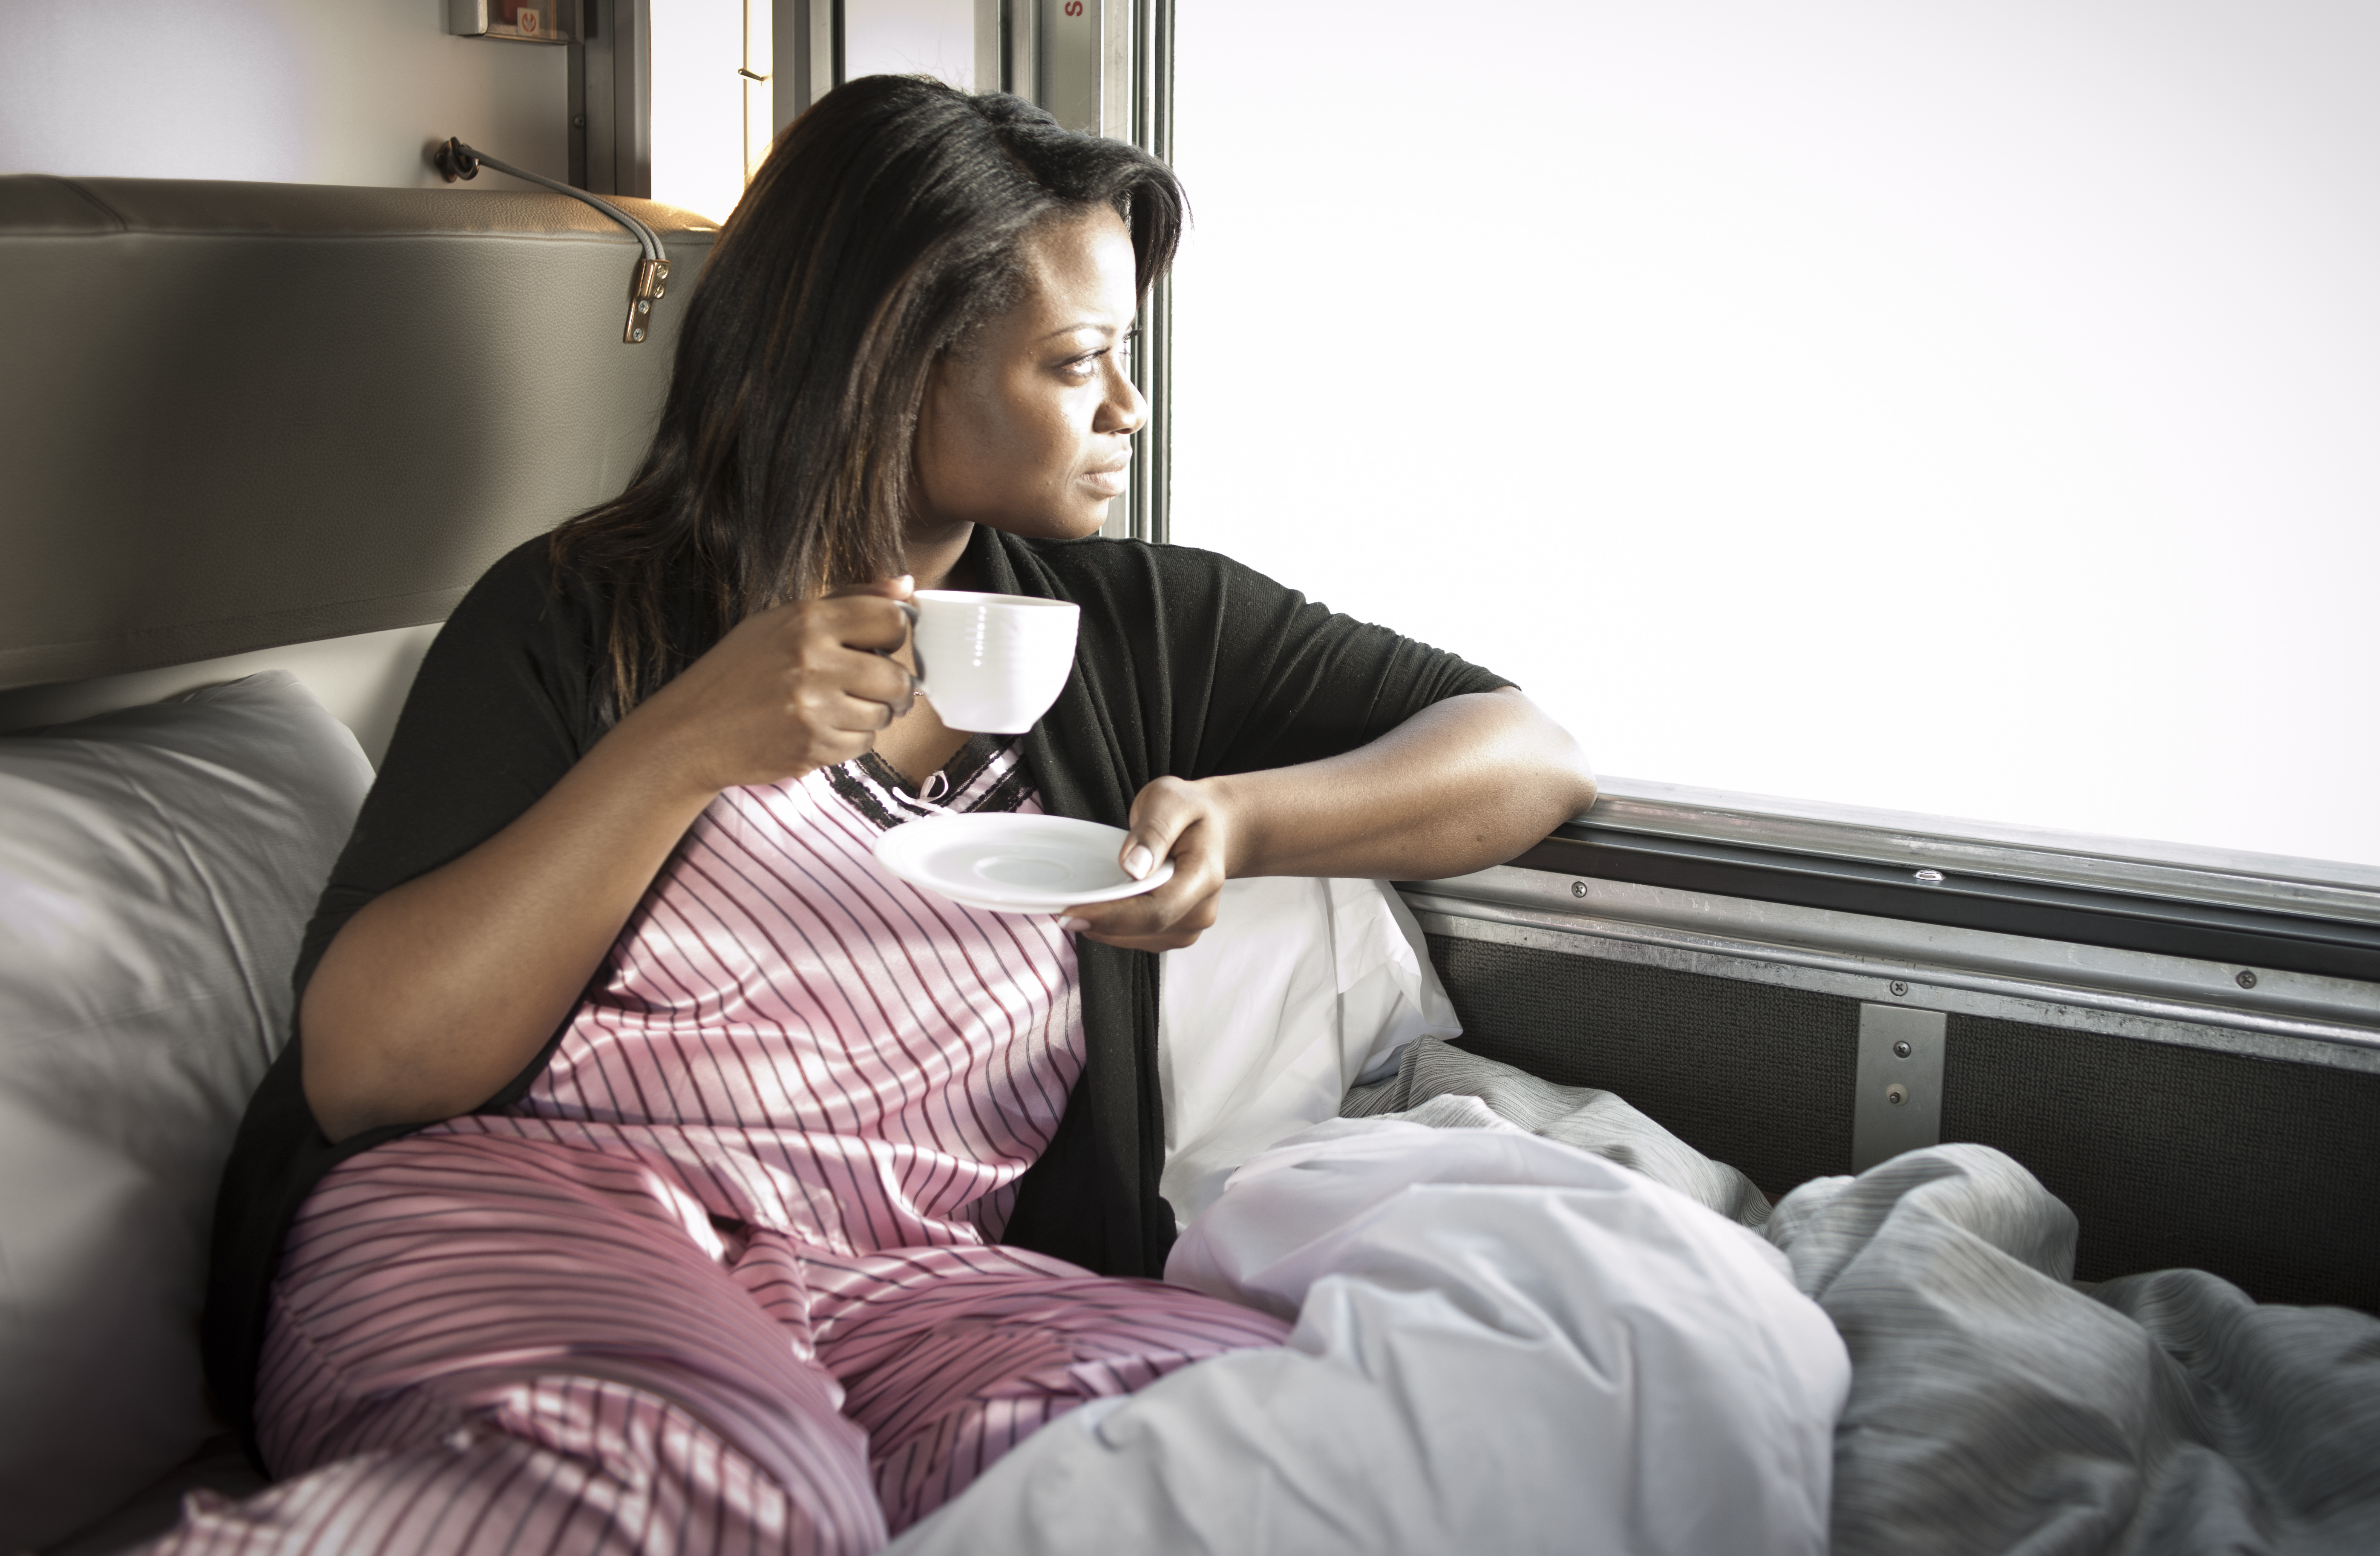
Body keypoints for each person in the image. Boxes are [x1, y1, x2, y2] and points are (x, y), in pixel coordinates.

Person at [171, 76, 1595, 1554]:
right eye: (1079, 362)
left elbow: (1527, 753)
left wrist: (1244, 820)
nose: (1130, 406)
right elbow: (371, 1073)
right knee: (714, 1496)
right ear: (892, 364)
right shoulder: (574, 615)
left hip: (903, 1278)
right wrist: (675, 749)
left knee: (1284, 1462)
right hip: (534, 1214)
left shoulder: (1134, 627)